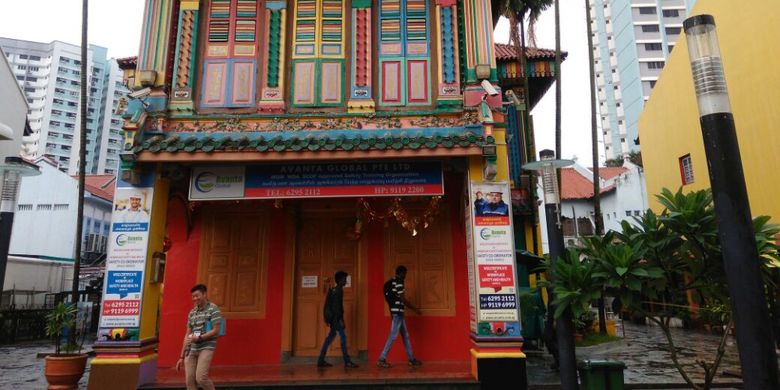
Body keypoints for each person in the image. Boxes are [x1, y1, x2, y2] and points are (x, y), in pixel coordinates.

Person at [176, 284, 223, 390]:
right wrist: (181, 357)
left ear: (204, 294)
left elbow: (216, 330)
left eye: (197, 295)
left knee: (201, 378)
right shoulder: (192, 313)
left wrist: (200, 338)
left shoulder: (213, 309)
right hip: (191, 348)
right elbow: (187, 334)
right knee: (189, 381)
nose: (195, 298)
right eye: (193, 296)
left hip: (206, 347)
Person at [377, 265, 423, 368]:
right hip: (398, 313)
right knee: (393, 336)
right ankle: (382, 359)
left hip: (397, 313)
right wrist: (415, 309)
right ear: (401, 273)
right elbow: (403, 299)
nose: (405, 276)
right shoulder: (399, 282)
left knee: (405, 336)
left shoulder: (393, 281)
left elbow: (392, 300)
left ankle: (411, 359)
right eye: (404, 274)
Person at [317, 271, 359, 368]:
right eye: (344, 279)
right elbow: (337, 308)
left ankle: (320, 360)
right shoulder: (338, 291)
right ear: (340, 280)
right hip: (337, 319)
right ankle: (347, 361)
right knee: (343, 339)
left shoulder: (335, 290)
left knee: (329, 338)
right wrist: (340, 320)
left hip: (334, 319)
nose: (346, 281)